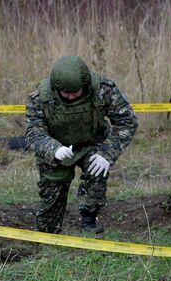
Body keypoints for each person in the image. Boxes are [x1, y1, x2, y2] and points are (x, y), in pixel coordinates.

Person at [24, 55, 138, 234]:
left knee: (96, 172)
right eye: (66, 93)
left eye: (76, 92)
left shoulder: (102, 90)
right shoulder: (41, 97)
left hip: (92, 143)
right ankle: (48, 235)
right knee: (51, 197)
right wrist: (53, 149)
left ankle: (89, 221)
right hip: (57, 148)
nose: (71, 96)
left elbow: (127, 121)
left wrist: (107, 154)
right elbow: (33, 132)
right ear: (56, 88)